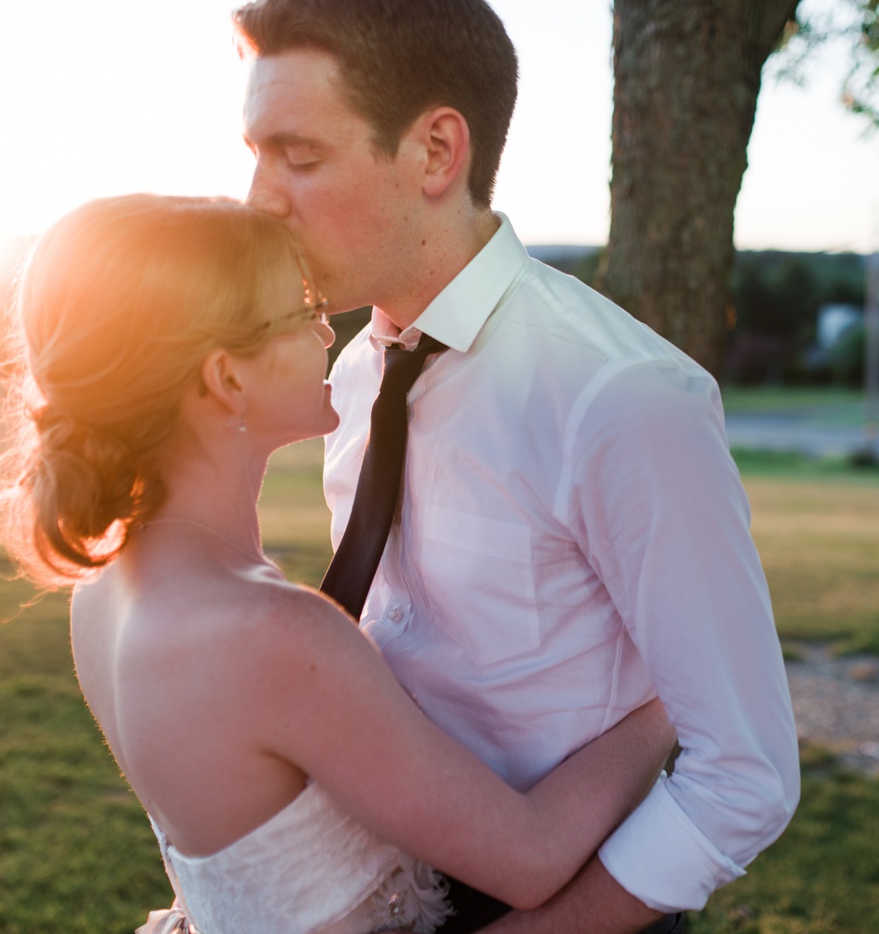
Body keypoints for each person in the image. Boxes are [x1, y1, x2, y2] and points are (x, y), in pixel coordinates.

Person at [233, 2, 801, 931]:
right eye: (254, 153)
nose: (260, 197)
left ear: (435, 152)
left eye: (298, 157)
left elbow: (747, 773)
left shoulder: (622, 396)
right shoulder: (359, 366)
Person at [0, 194, 676, 934]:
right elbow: (530, 857)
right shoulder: (273, 634)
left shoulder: (104, 589)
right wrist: (667, 692)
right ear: (225, 378)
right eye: (298, 308)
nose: (326, 328)